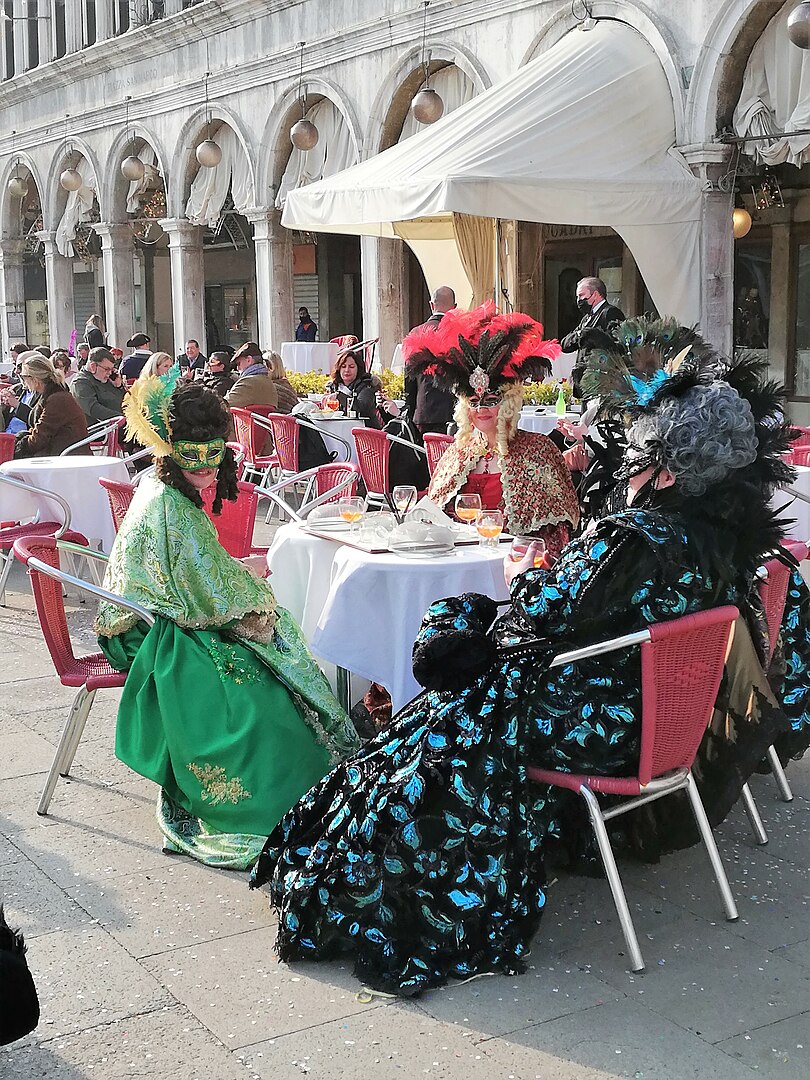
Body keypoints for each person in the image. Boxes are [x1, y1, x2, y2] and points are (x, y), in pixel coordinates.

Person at [250, 338, 805, 997]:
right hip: (661, 724)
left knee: (439, 724)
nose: (627, 462)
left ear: (665, 468)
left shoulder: (632, 538)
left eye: (640, 453)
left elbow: (537, 617)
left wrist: (473, 609)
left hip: (599, 726)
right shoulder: (732, 545)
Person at [96, 377, 358, 869]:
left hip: (159, 613)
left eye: (212, 456)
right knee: (254, 690)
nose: (205, 471)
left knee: (268, 655)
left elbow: (198, 573)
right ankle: (270, 799)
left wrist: (237, 582)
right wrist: (255, 587)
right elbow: (207, 589)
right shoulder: (168, 501)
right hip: (148, 633)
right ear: (169, 449)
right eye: (192, 457)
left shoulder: (161, 485)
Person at [407, 303, 580, 559]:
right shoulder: (460, 452)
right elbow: (436, 509)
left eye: (490, 401)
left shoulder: (537, 450)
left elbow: (553, 534)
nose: (481, 409)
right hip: (459, 558)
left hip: (513, 562)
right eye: (474, 403)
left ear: (508, 403)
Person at [401, 285, 458, 435]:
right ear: (454, 308)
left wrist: (412, 408)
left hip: (424, 409)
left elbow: (409, 376)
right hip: (454, 411)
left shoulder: (416, 332)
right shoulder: (459, 332)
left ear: (431, 305)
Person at [13, 354, 90, 458]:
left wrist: (16, 447)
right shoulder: (53, 393)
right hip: (58, 451)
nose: (23, 381)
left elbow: (39, 439)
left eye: (24, 377)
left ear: (35, 379)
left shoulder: (57, 399)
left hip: (65, 458)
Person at [559, 277, 624, 399]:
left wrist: (592, 335)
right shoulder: (586, 319)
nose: (579, 300)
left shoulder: (610, 313)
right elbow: (565, 345)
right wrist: (580, 335)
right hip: (584, 383)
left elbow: (617, 347)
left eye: (581, 295)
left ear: (595, 294)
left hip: (601, 383)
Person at [326, 352, 391, 428]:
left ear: (358, 368)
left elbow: (361, 409)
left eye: (351, 367)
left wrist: (339, 396)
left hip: (365, 433)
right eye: (343, 366)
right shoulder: (334, 386)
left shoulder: (367, 385)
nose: (347, 370)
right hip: (338, 429)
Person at [71, 346, 126, 423]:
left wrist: (119, 386)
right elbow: (94, 409)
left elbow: (126, 401)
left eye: (111, 369)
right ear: (93, 366)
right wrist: (123, 419)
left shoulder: (107, 379)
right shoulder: (80, 382)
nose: (109, 373)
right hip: (101, 430)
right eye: (106, 369)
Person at [225, 342, 279, 411]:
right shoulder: (268, 382)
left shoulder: (248, 381)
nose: (237, 368)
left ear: (249, 360)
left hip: (247, 421)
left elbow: (224, 404)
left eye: (238, 364)